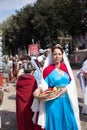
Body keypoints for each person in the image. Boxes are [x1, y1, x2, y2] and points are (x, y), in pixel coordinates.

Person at [32, 44, 81, 130]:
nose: (57, 56)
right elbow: (43, 84)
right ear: (52, 55)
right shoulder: (47, 70)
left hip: (67, 101)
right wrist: (38, 89)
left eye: (59, 54)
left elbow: (72, 84)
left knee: (68, 123)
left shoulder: (67, 68)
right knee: (55, 124)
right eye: (55, 54)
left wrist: (66, 88)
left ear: (62, 55)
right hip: (53, 102)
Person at [16, 62, 37, 130]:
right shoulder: (33, 80)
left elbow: (17, 88)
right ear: (32, 71)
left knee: (21, 117)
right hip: (29, 103)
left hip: (20, 103)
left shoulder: (19, 79)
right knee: (29, 118)